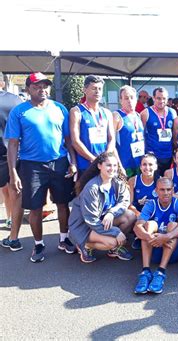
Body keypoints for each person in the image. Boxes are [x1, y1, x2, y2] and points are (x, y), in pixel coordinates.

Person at [5, 72, 77, 262]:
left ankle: (64, 239)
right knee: (35, 208)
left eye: (45, 86)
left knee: (63, 203)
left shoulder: (60, 108)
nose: (42, 90)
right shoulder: (19, 112)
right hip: (31, 166)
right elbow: (13, 144)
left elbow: (68, 140)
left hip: (59, 162)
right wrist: (13, 172)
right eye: (37, 86)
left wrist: (73, 162)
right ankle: (38, 244)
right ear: (28, 89)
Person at [68, 152, 135, 263]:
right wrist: (115, 232)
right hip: (85, 227)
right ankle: (85, 245)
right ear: (99, 166)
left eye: (115, 165)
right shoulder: (92, 188)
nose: (112, 168)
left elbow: (124, 202)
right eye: (108, 165)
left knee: (130, 216)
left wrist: (111, 213)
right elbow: (91, 220)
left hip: (102, 221)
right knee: (112, 241)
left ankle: (113, 248)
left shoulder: (117, 182)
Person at [133, 177, 178, 294]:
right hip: (155, 248)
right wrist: (149, 237)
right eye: (162, 190)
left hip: (174, 250)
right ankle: (145, 271)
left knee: (173, 225)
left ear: (173, 190)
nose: (166, 193)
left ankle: (161, 272)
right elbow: (137, 227)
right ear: (156, 191)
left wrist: (166, 237)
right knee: (148, 226)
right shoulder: (151, 204)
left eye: (169, 189)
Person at [70, 75, 115, 175]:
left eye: (100, 89)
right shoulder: (76, 112)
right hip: (86, 165)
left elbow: (111, 138)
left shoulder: (107, 113)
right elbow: (75, 141)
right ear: (84, 90)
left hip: (105, 166)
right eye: (94, 88)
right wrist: (93, 159)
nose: (97, 91)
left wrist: (105, 159)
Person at [0, 72, 24, 251]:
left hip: (8, 153)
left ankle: (10, 222)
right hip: (10, 153)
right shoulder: (16, 101)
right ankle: (14, 236)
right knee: (14, 192)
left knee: (8, 191)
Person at [140, 87, 177, 176]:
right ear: (153, 98)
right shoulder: (146, 113)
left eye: (164, 98)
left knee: (166, 183)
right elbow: (140, 135)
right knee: (155, 182)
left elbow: (175, 134)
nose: (161, 101)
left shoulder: (172, 112)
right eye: (158, 98)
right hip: (153, 155)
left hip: (168, 155)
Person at [128, 153, 159, 249]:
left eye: (150, 164)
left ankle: (143, 237)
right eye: (144, 164)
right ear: (140, 167)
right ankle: (140, 236)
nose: (147, 167)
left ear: (156, 166)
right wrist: (138, 214)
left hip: (154, 214)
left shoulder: (160, 181)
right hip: (139, 214)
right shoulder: (133, 180)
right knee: (129, 214)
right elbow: (129, 204)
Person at [113, 85, 145, 178]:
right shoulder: (117, 116)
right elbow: (111, 143)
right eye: (126, 98)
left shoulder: (138, 116)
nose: (129, 101)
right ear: (121, 100)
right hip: (125, 165)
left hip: (139, 164)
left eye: (132, 97)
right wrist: (118, 165)